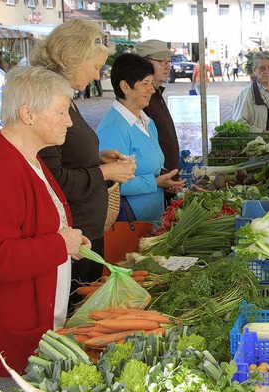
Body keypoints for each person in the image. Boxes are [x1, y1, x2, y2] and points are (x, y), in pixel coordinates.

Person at [0, 66, 92, 376]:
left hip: (34, 325)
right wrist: (58, 244)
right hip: (7, 335)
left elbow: (40, 225)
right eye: (60, 112)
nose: (68, 121)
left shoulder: (29, 155)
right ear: (28, 114)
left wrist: (68, 243)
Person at [30, 19, 137, 307]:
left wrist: (98, 158)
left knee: (83, 306)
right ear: (73, 58)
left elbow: (68, 155)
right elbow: (52, 178)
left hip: (86, 231)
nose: (98, 74)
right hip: (71, 238)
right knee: (71, 308)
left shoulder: (68, 98)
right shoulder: (49, 101)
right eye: (95, 66)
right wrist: (104, 171)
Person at [97, 53, 184, 227]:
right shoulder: (113, 128)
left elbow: (152, 167)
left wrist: (165, 181)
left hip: (151, 218)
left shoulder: (146, 121)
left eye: (151, 84)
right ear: (125, 86)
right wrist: (155, 182)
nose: (152, 90)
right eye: (145, 84)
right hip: (128, 221)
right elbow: (113, 183)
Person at [136, 40, 182, 179]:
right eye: (161, 61)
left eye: (169, 62)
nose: (167, 67)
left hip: (165, 183)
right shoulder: (141, 100)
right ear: (144, 62)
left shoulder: (157, 95)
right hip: (156, 184)